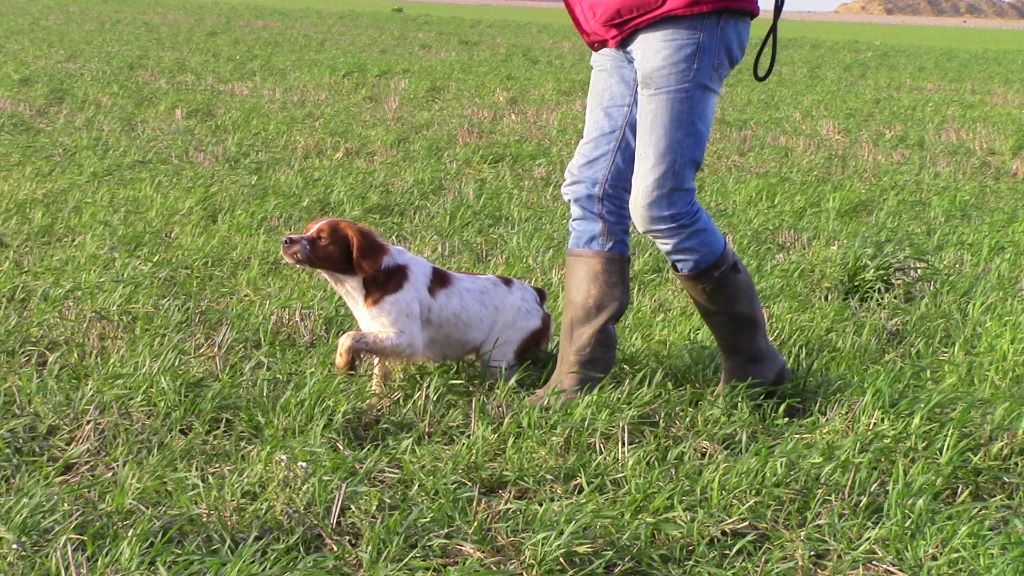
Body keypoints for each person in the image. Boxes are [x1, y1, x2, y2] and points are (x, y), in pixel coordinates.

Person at [529, 0, 789, 405]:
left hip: (686, 13)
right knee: (590, 189)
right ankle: (577, 373)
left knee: (661, 205)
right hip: (615, 22)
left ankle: (755, 364)